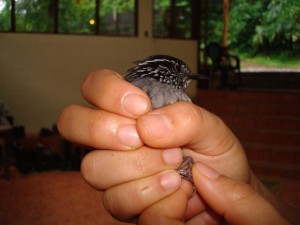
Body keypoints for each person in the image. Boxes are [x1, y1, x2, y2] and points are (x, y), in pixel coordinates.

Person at [58, 69, 299, 224]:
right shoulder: (170, 96)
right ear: (169, 73)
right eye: (183, 73)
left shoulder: (176, 99)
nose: (189, 77)